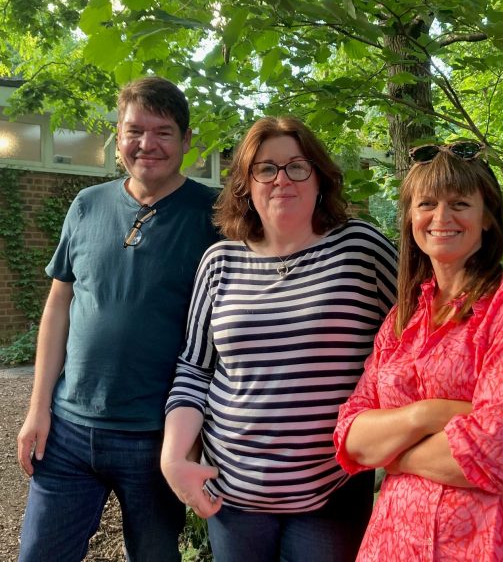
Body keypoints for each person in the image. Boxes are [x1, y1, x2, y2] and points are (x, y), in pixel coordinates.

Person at [333, 141, 503, 561]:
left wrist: (395, 455)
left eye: (459, 204)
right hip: (398, 545)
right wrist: (427, 415)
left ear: (487, 217)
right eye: (426, 204)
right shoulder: (402, 318)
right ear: (410, 218)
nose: (441, 217)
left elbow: (500, 451)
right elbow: (352, 437)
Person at [160, 116, 397, 562]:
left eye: (297, 167)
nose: (281, 179)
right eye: (265, 168)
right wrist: (173, 458)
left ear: (320, 179)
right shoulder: (219, 261)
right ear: (245, 184)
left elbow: (421, 336)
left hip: (332, 490)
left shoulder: (360, 249)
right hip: (231, 494)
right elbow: (195, 368)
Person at [17, 76, 221, 562]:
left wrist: (195, 439)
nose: (147, 144)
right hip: (68, 429)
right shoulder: (86, 205)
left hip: (157, 435)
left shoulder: (216, 216)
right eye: (134, 131)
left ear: (187, 141)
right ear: (118, 137)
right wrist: (37, 408)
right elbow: (58, 305)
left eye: (163, 132)